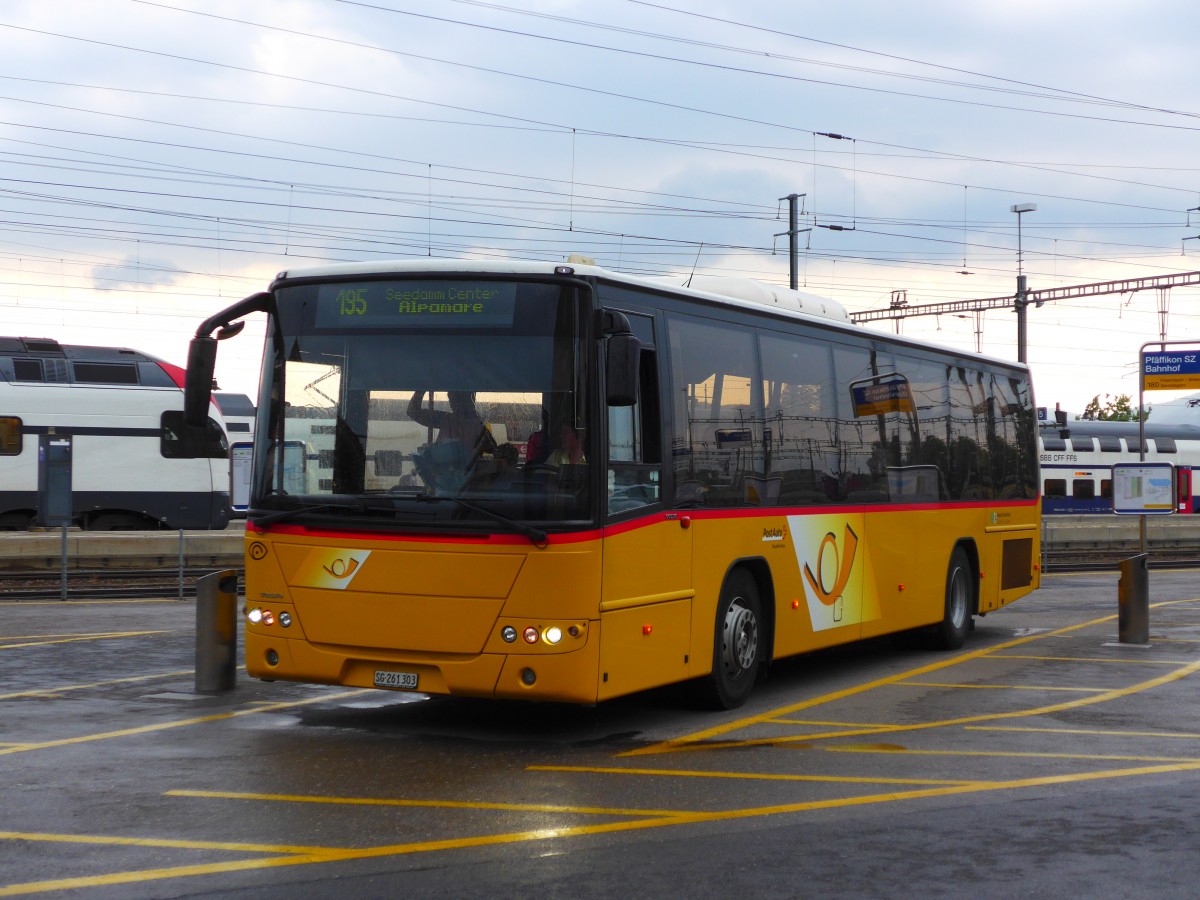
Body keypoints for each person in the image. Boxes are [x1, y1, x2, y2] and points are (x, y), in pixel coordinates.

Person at [408, 389, 497, 456]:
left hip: (451, 477)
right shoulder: (479, 426)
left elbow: (413, 411)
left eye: (453, 397)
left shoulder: (445, 420)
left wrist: (422, 388)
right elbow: (413, 412)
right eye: (451, 397)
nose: (452, 402)